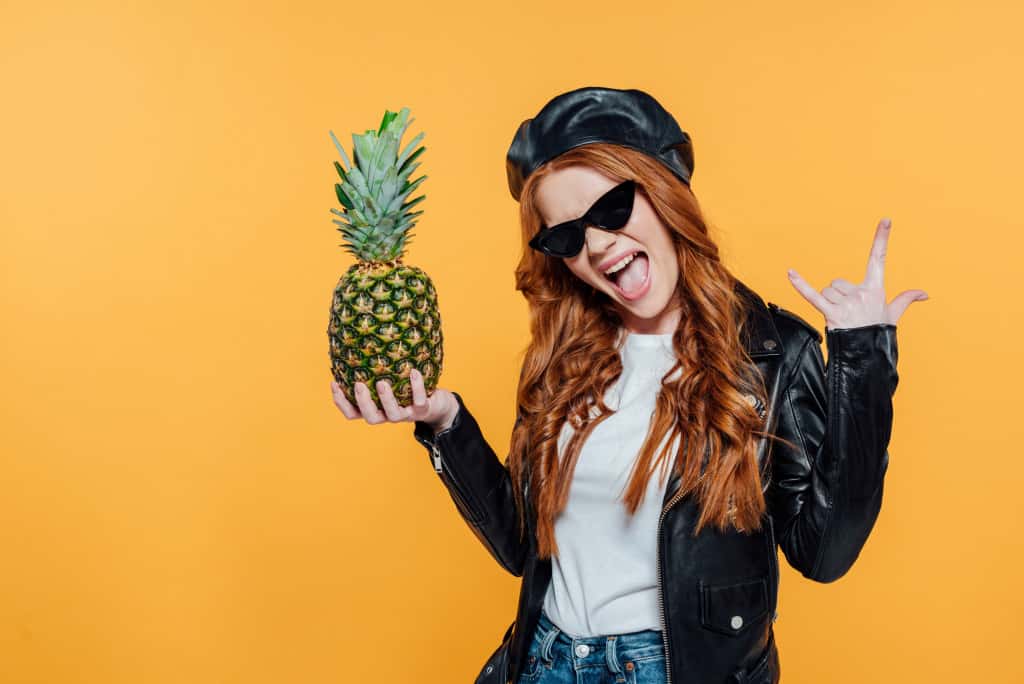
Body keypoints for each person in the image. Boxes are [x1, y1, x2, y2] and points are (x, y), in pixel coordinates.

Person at [331, 86, 925, 684]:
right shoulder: (562, 362)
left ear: (662, 190)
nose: (596, 245)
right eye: (564, 237)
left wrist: (863, 360)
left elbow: (824, 555)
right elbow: (520, 547)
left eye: (610, 209)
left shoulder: (770, 355)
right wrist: (444, 422)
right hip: (543, 662)